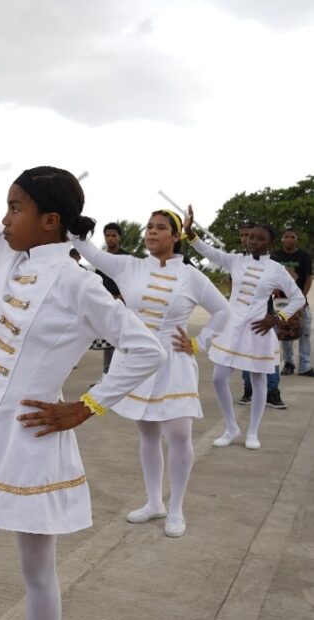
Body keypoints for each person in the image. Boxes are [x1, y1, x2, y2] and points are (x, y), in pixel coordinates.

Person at [0, 83, 165, 620]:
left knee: (37, 572)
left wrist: (87, 407)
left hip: (29, 439)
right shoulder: (6, 252)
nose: (3, 218)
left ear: (50, 220)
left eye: (16, 207)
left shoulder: (81, 285)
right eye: (6, 206)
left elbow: (147, 347)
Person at [71, 210, 230, 537]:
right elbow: (87, 251)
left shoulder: (191, 276)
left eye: (161, 228)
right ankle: (154, 502)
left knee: (179, 436)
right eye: (149, 227)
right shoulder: (128, 266)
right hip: (136, 360)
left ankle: (176, 508)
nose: (152, 232)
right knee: (147, 434)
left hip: (174, 361)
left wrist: (199, 343)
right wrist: (74, 227)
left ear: (176, 237)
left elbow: (224, 311)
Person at [185, 211, 305, 450]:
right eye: (251, 237)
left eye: (260, 238)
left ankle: (252, 432)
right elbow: (210, 252)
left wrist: (276, 318)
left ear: (270, 243)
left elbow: (298, 298)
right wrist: (190, 233)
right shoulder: (236, 260)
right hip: (231, 327)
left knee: (258, 380)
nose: (253, 241)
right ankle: (231, 427)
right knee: (219, 379)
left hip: (257, 330)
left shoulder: (276, 269)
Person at [235, 223, 283, 407]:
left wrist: (278, 316)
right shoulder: (237, 261)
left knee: (269, 356)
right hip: (242, 319)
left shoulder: (272, 261)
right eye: (245, 235)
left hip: (266, 317)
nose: (249, 239)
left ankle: (273, 391)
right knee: (245, 354)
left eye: (253, 235)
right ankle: (248, 389)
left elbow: (288, 282)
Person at [272, 227, 312, 376]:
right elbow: (269, 276)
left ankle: (305, 365)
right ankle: (288, 363)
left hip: (300, 301)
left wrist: (302, 297)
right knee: (285, 333)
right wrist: (274, 289)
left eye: (292, 237)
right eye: (286, 236)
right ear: (282, 239)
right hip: (281, 302)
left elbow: (308, 278)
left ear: (296, 239)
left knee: (305, 332)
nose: (289, 239)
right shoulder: (275, 256)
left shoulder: (304, 256)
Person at [96, 222, 131, 374]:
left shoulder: (126, 257)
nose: (110, 239)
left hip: (124, 305)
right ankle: (107, 376)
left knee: (126, 340)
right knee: (109, 342)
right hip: (106, 305)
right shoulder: (101, 258)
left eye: (113, 235)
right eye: (107, 235)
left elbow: (132, 280)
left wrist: (121, 297)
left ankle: (125, 374)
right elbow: (98, 282)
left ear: (119, 237)